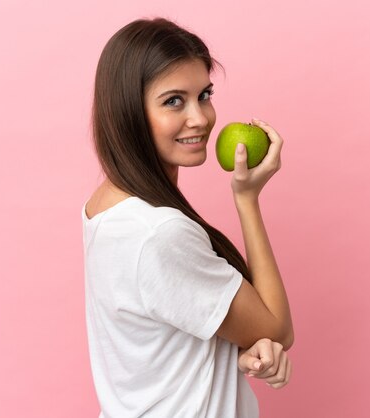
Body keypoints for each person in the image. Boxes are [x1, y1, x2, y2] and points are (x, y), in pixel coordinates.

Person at [82, 17, 294, 417]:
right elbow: (278, 329)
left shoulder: (107, 205)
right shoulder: (160, 233)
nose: (200, 119)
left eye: (204, 94)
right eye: (173, 101)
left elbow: (163, 343)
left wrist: (240, 354)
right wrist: (247, 199)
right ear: (129, 111)